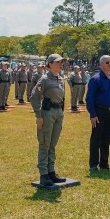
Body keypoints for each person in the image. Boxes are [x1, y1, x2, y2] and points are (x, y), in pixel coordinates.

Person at [30, 54, 68, 186]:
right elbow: (34, 97)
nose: (61, 64)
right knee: (44, 143)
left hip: (58, 113)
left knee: (52, 144)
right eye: (58, 62)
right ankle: (44, 173)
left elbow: (63, 98)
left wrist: (62, 112)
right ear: (50, 64)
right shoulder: (44, 79)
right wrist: (38, 116)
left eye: (62, 62)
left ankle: (51, 171)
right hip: (47, 113)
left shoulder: (61, 79)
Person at [86, 55, 110, 171]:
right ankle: (93, 164)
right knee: (96, 139)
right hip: (99, 111)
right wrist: (93, 114)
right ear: (101, 65)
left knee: (107, 139)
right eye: (107, 62)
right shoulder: (95, 79)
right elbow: (90, 98)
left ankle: (104, 164)